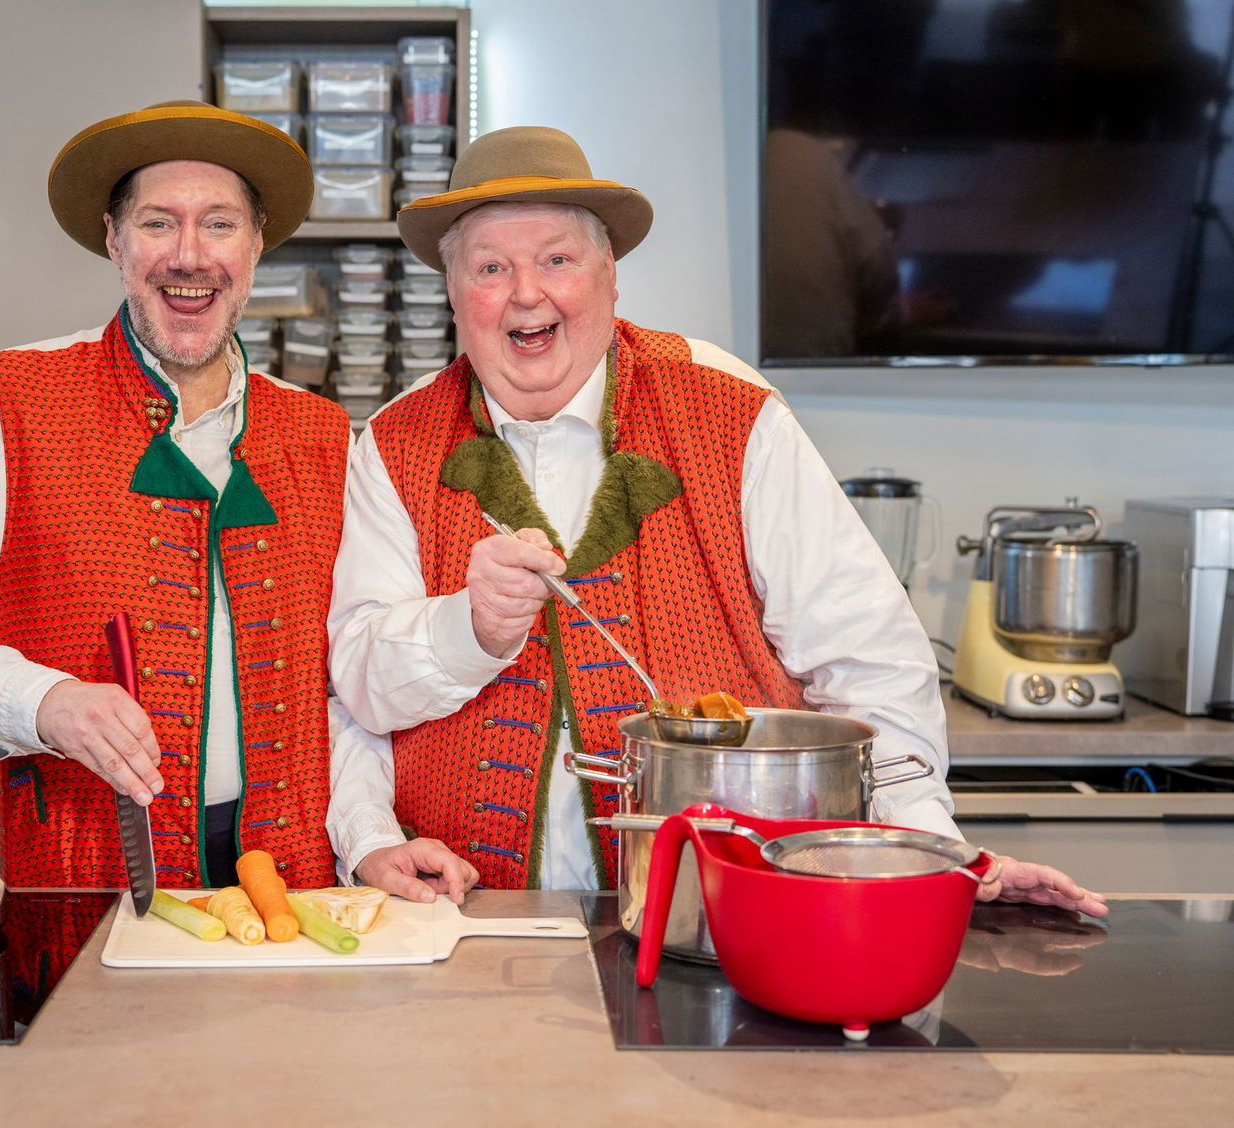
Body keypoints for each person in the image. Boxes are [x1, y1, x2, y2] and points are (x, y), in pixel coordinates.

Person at [325, 125, 1107, 917]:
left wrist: (924, 852)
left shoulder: (726, 405)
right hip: (470, 920)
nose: (527, 293)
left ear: (610, 276)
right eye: (490, 268)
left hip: (724, 916)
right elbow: (353, 685)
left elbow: (864, 655)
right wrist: (471, 630)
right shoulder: (395, 440)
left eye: (557, 259)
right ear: (454, 293)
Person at [0, 101, 351, 891]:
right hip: (74, 874)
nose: (189, 256)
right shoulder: (9, 396)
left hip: (286, 879)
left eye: (220, 225)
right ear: (114, 240)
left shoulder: (325, 435)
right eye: (159, 223)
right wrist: (44, 701)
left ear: (257, 244)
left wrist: (367, 836)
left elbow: (349, 684)